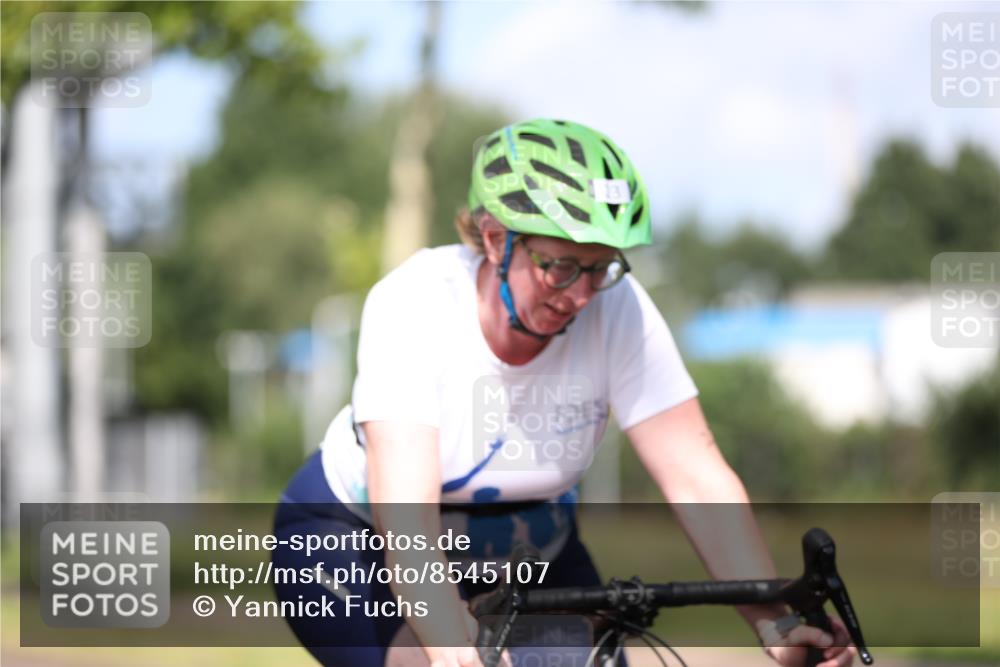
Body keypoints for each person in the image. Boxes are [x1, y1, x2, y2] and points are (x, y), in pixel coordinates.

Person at [273, 119, 857, 667]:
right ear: (497, 239)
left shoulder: (619, 309)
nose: (580, 295)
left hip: (530, 548)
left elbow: (696, 475)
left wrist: (773, 622)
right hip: (357, 543)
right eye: (560, 268)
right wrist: (450, 642)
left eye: (600, 268)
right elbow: (406, 519)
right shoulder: (416, 302)